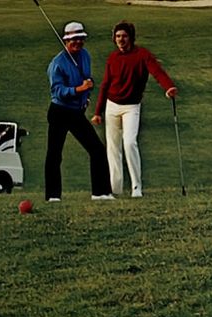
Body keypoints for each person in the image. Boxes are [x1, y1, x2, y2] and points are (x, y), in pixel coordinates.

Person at [92, 20, 178, 198]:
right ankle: (114, 189)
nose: (120, 39)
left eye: (124, 36)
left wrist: (168, 87)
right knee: (113, 148)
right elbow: (105, 85)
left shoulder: (142, 54)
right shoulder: (113, 58)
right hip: (111, 106)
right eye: (117, 36)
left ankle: (136, 187)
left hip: (131, 106)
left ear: (130, 37)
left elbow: (157, 71)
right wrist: (97, 112)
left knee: (130, 142)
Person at [44, 21, 113, 202]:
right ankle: (53, 196)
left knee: (97, 149)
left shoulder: (85, 55)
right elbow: (58, 91)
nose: (78, 43)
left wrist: (85, 96)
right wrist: (79, 90)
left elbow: (86, 78)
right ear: (66, 41)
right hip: (59, 111)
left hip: (76, 112)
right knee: (54, 154)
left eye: (81, 39)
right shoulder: (57, 64)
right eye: (74, 40)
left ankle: (101, 193)